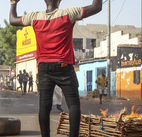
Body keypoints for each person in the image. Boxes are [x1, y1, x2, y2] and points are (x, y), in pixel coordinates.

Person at [9, 0, 102, 136]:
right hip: (64, 66)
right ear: (59, 0)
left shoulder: (34, 17)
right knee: (73, 104)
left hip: (44, 68)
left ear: (45, 1)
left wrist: (13, 3)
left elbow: (12, 20)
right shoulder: (68, 13)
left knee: (44, 106)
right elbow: (97, 6)